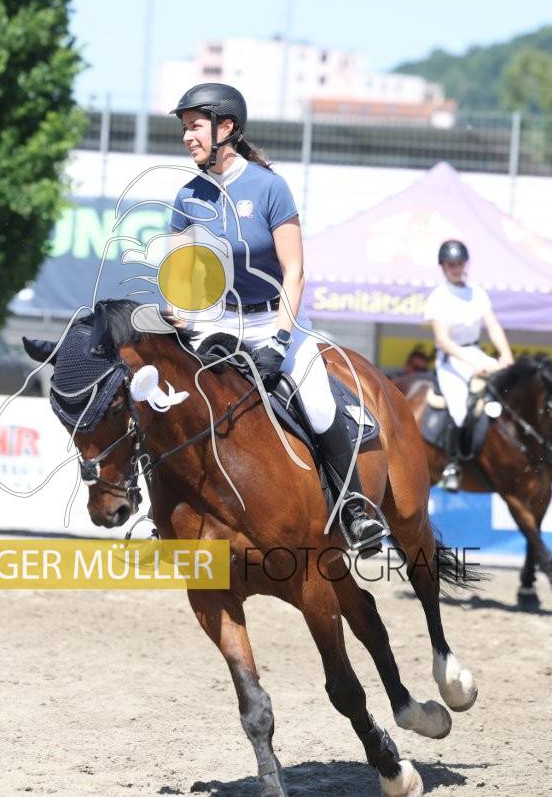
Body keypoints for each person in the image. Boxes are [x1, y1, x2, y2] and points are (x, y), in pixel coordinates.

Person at [165, 82, 388, 554]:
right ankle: (166, 513)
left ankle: (354, 509)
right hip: (216, 323)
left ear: (226, 127)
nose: (187, 137)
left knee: (320, 403)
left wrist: (280, 340)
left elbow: (295, 272)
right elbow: (181, 274)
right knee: (174, 401)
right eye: (184, 128)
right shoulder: (187, 196)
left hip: (273, 319)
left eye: (195, 127)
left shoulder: (269, 187)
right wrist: (178, 310)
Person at [424, 239, 514, 492]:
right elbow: (443, 340)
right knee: (460, 409)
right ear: (443, 266)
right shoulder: (438, 297)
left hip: (476, 352)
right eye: (451, 264)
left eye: (459, 263)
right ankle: (452, 465)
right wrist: (472, 362)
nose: (456, 268)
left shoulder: (477, 292)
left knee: (508, 392)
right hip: (452, 359)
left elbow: (492, 325)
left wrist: (506, 354)